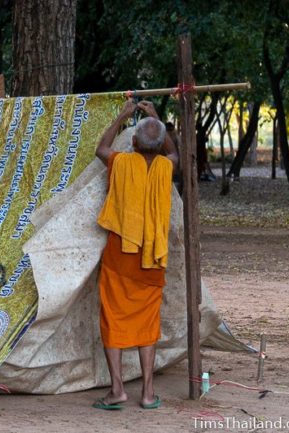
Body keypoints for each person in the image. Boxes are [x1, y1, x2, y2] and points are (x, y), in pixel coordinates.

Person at [93, 99, 178, 410]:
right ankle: (147, 393)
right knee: (147, 325)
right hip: (151, 260)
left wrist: (122, 115)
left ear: (132, 142)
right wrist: (158, 120)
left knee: (112, 320)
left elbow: (100, 149)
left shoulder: (122, 162)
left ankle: (117, 391)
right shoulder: (165, 167)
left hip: (119, 257)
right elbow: (174, 153)